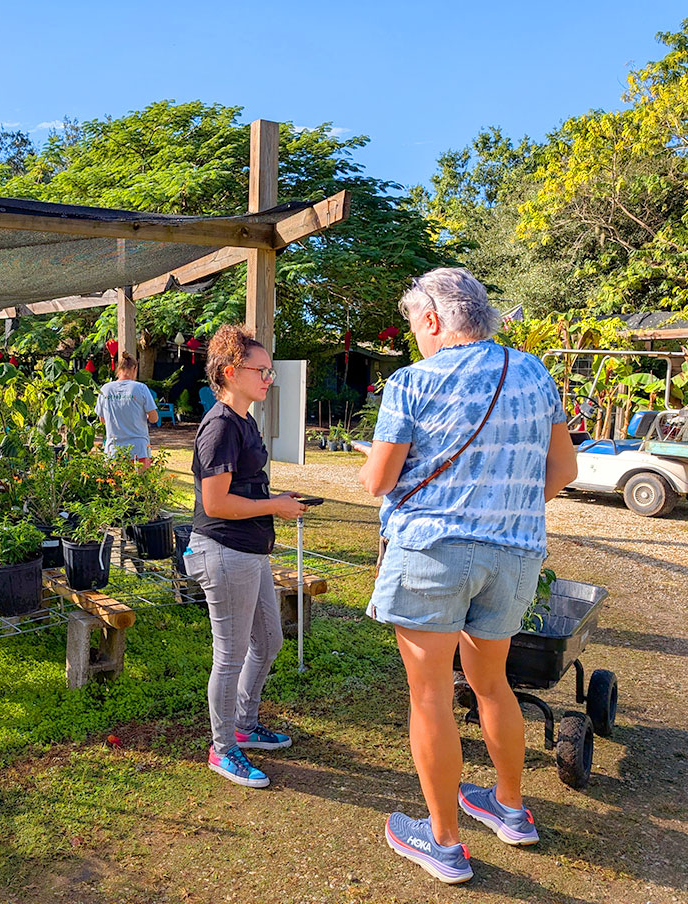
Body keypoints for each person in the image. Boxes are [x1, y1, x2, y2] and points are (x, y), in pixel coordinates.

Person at [354, 268, 578, 883]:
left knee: (430, 695)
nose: (412, 337)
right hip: (514, 553)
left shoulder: (411, 382)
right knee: (493, 683)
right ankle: (510, 809)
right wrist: (503, 508)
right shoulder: (533, 372)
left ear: (432, 319)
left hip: (432, 551)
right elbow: (562, 468)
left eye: (412, 325)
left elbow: (378, 481)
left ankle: (445, 843)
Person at [183, 324, 312, 788]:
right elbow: (215, 504)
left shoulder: (244, 421)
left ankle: (243, 724)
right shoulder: (219, 426)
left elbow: (241, 490)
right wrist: (274, 506)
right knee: (231, 654)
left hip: (250, 551)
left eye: (269, 370)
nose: (269, 378)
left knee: (270, 640)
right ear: (231, 372)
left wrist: (276, 497)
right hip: (224, 551)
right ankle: (223, 750)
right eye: (262, 370)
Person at [95, 352, 158, 462]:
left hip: (113, 448)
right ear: (134, 368)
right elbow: (154, 418)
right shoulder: (141, 388)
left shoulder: (105, 389)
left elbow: (102, 419)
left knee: (114, 479)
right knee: (140, 479)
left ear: (118, 369)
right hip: (139, 448)